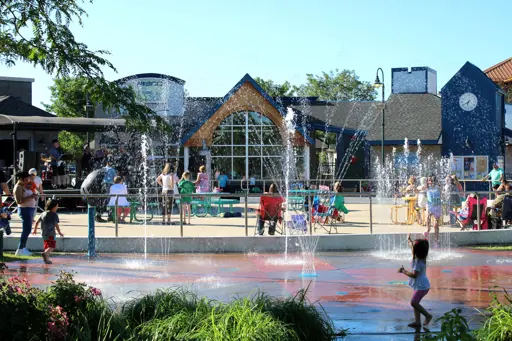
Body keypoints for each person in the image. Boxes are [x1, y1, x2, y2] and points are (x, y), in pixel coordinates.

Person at [398, 234, 432, 328]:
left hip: (422, 286)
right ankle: (417, 322)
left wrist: (403, 271)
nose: (412, 248)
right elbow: (412, 246)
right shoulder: (422, 257)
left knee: (414, 302)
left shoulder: (417, 262)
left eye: (413, 247)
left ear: (416, 251)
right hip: (421, 285)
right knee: (416, 303)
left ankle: (428, 316)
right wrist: (409, 239)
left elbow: (414, 275)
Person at [13, 172, 37, 256]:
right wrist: (30, 197)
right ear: (21, 179)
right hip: (25, 209)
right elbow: (19, 201)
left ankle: (23, 248)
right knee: (26, 230)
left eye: (28, 179)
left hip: (29, 209)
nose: (28, 181)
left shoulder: (24, 186)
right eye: (26, 180)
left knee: (27, 229)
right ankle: (20, 249)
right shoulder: (18, 187)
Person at [32, 199, 64, 264]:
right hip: (51, 234)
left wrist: (35, 230)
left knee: (47, 246)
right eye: (57, 206)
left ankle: (47, 260)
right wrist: (59, 232)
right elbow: (56, 225)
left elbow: (37, 222)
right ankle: (45, 253)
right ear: (53, 207)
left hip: (44, 233)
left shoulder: (43, 213)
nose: (57, 208)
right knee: (52, 246)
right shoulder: (54, 215)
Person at [425, 176, 441, 246]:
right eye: (429, 180)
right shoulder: (426, 188)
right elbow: (418, 188)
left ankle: (436, 240)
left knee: (436, 225)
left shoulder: (438, 187)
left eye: (432, 180)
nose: (430, 182)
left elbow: (442, 192)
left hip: (437, 206)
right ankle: (427, 230)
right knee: (428, 217)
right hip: (430, 206)